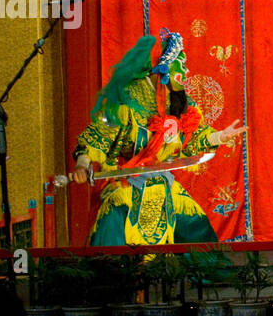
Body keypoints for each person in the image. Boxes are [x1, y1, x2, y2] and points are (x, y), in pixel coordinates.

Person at [71, 28, 245, 245]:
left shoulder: (178, 100)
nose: (184, 73)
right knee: (110, 227)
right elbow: (97, 136)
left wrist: (220, 137)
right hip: (127, 183)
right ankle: (108, 277)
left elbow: (194, 136)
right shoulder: (127, 100)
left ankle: (216, 278)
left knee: (197, 228)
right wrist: (82, 164)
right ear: (161, 68)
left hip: (163, 183)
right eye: (179, 67)